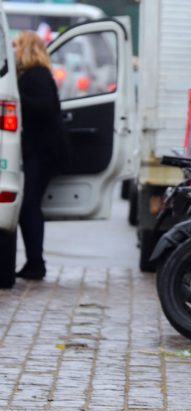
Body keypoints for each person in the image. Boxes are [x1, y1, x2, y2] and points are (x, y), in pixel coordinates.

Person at [14, 31, 68, 280]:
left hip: (41, 151)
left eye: (16, 45)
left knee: (29, 207)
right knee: (29, 206)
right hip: (43, 150)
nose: (13, 50)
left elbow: (42, 108)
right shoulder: (37, 75)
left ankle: (36, 263)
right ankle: (35, 262)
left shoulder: (35, 75)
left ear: (26, 48)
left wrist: (14, 99)